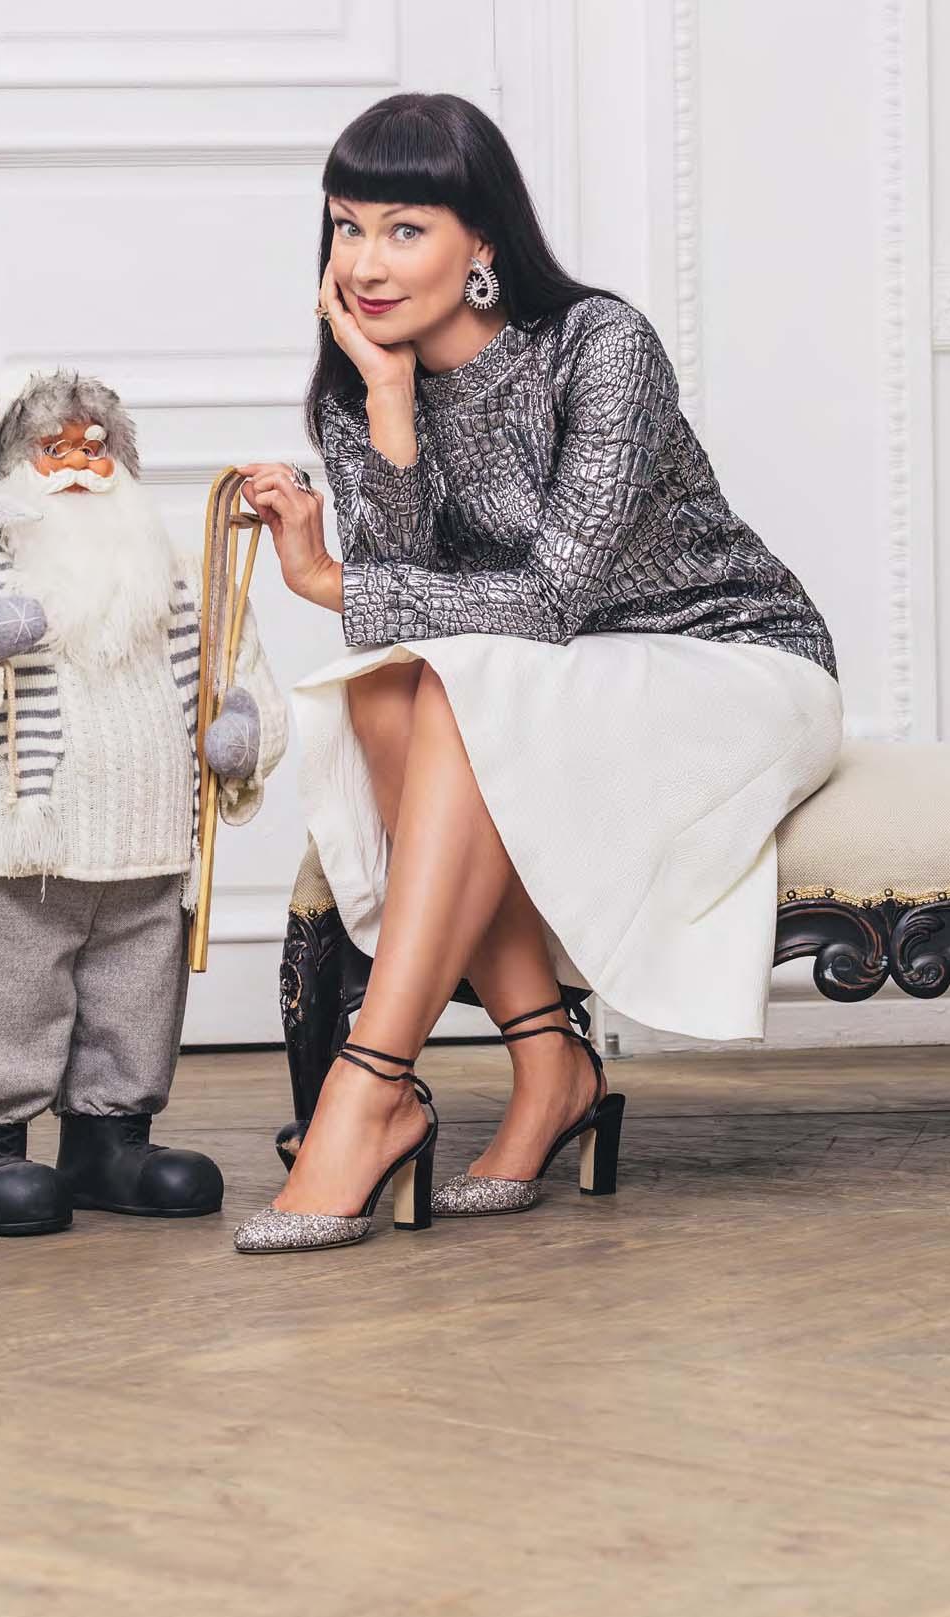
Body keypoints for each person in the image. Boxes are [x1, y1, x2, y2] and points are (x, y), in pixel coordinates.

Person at [231, 92, 842, 1255]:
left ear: (482, 242)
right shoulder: (359, 388)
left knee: (452, 682)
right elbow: (410, 618)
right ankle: (549, 1059)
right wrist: (392, 403)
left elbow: (551, 600)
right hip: (549, 681)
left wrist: (326, 580)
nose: (364, 263)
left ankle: (372, 1081)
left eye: (404, 229)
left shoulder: (599, 345)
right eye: (346, 226)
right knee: (389, 683)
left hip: (728, 658)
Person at [0, 369, 289, 1236]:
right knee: (1, 996)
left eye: (95, 447)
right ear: (9, 466)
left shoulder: (176, 572)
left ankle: (111, 1140)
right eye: (53, 447)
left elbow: (238, 664)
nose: (78, 465)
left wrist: (247, 732)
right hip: (3, 850)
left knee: (131, 998)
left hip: (146, 844)